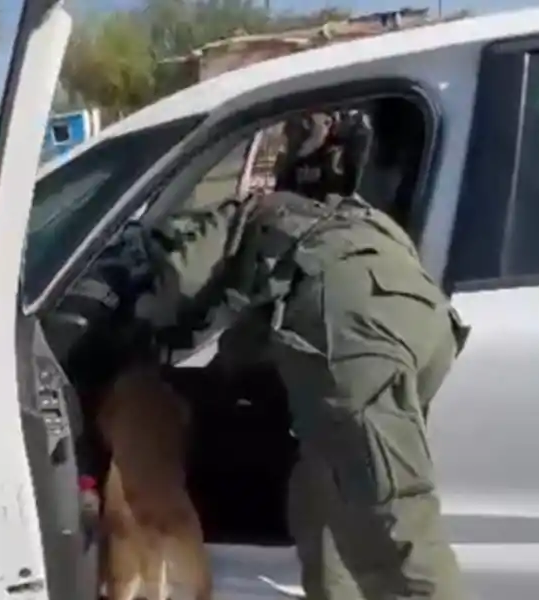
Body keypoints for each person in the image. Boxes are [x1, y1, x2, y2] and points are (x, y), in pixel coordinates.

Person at [194, 109, 471, 600]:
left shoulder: (240, 221)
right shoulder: (351, 217)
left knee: (392, 533)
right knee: (322, 487)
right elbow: (251, 336)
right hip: (428, 326)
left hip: (357, 343)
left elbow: (200, 305)